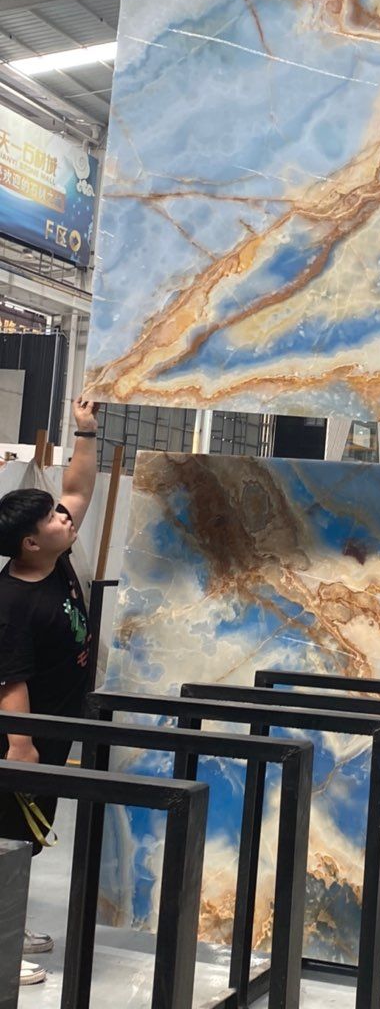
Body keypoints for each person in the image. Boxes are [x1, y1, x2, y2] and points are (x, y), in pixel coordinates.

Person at [0, 397, 100, 986]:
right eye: (53, 520)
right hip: (22, 740)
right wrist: (22, 748)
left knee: (28, 837)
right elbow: (8, 680)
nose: (65, 518)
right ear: (29, 543)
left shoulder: (53, 559)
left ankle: (9, 924)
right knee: (8, 837)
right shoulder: (13, 602)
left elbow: (78, 489)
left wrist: (85, 431)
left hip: (54, 728)